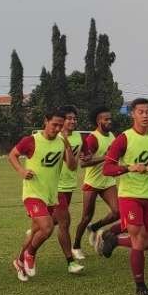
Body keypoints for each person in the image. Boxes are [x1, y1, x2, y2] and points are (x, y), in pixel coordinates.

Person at [97, 98, 148, 295]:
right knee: (139, 239)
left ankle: (114, 239)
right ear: (132, 114)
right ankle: (140, 288)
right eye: (141, 112)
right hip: (129, 196)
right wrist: (129, 167)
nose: (145, 115)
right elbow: (107, 168)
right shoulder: (124, 138)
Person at [7, 108, 83, 281]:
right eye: (54, 124)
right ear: (45, 121)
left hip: (50, 195)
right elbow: (13, 155)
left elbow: (72, 166)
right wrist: (21, 170)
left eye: (60, 126)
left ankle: (19, 261)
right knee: (47, 227)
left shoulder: (61, 142)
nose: (57, 129)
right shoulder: (31, 140)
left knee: (35, 231)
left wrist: (67, 146)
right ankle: (30, 254)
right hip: (33, 193)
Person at [74, 106, 121, 254]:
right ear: (98, 121)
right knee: (86, 217)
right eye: (106, 119)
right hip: (92, 183)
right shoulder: (92, 138)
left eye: (110, 118)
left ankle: (94, 228)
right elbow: (84, 163)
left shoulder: (112, 136)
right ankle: (76, 246)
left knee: (118, 212)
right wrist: (105, 157)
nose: (109, 121)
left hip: (108, 182)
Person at [54, 106, 86, 260]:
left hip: (69, 184)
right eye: (69, 118)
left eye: (74, 118)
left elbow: (77, 159)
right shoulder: (56, 137)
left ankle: (35, 230)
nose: (73, 121)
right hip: (57, 185)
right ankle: (70, 259)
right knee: (64, 222)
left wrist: (85, 158)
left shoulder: (78, 137)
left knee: (54, 220)